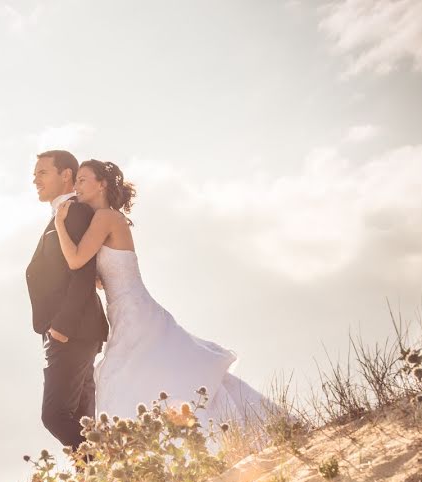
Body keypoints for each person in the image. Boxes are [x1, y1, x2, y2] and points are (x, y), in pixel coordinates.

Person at [54, 159, 275, 430]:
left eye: (82, 180)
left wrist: (60, 224)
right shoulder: (105, 220)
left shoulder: (105, 217)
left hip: (133, 311)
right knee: (149, 375)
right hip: (127, 309)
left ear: (101, 184)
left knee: (129, 378)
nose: (76, 186)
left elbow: (75, 260)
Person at [25, 150, 109, 452]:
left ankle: (106, 468)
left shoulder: (74, 212)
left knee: (56, 416)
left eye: (42, 173)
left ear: (66, 176)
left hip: (72, 330)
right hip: (74, 331)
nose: (35, 179)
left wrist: (61, 326)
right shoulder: (62, 214)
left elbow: (82, 272)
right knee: (82, 419)